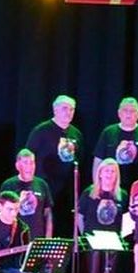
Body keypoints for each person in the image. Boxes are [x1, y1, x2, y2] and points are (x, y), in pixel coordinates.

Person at [77, 157, 127, 273]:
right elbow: (79, 216)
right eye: (106, 171)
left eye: (112, 171)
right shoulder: (89, 193)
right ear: (99, 173)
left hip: (113, 243)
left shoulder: (122, 195)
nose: (109, 174)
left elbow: (127, 220)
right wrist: (84, 235)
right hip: (93, 241)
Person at [26, 94, 83, 228]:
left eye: (71, 109)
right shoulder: (41, 131)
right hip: (45, 187)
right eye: (65, 108)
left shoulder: (76, 134)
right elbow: (28, 158)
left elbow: (79, 161)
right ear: (55, 110)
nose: (68, 112)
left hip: (67, 191)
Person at [93, 96, 138, 192]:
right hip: (112, 189)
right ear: (119, 113)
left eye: (132, 111)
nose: (129, 114)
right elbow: (98, 161)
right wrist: (97, 187)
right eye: (125, 110)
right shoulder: (108, 132)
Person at [0, 149, 54, 238]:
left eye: (32, 163)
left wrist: (48, 237)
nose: (29, 166)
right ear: (17, 166)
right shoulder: (8, 185)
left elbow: (48, 213)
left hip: (37, 239)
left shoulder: (41, 184)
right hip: (14, 240)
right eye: (25, 163)